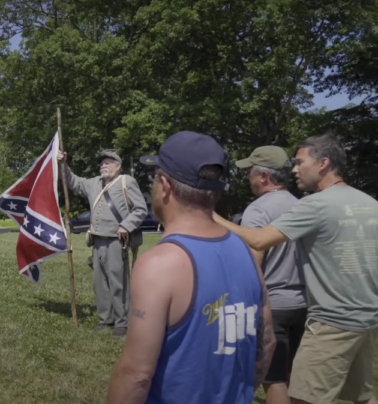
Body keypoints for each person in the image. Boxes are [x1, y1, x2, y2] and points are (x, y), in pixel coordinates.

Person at [106, 131, 275, 404]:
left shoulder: (160, 264)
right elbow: (267, 343)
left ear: (165, 185)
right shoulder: (246, 250)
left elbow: (136, 375)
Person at [213, 133, 378, 404]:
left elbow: (259, 240)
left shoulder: (316, 204)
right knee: (361, 396)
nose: (294, 169)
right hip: (367, 319)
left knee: (302, 398)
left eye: (301, 162)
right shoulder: (370, 203)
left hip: (331, 322)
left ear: (323, 163)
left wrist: (211, 216)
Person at [235, 146, 308, 404]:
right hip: (304, 304)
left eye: (250, 173)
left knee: (273, 377)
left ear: (264, 176)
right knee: (293, 375)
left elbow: (252, 265)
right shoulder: (303, 205)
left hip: (273, 305)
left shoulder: (257, 211)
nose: (247, 178)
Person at [57, 148, 148, 337]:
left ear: (118, 166)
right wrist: (63, 165)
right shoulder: (94, 183)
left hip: (117, 241)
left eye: (108, 162)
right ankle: (105, 319)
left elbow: (140, 209)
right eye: (102, 163)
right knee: (100, 283)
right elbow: (73, 181)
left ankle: (122, 322)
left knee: (118, 282)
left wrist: (126, 225)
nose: (103, 165)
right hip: (97, 241)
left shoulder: (126, 182)